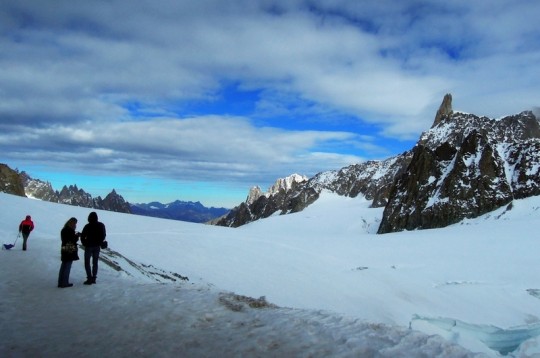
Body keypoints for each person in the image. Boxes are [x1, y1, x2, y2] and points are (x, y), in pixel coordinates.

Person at [80, 212, 106, 285]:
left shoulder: (87, 226)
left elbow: (82, 236)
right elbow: (103, 235)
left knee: (87, 262)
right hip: (97, 247)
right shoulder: (101, 225)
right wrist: (99, 242)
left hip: (88, 246)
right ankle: (94, 278)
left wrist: (85, 243)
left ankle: (89, 278)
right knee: (95, 263)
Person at [58, 217, 80, 288]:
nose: (75, 225)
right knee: (67, 266)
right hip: (70, 248)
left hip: (64, 247)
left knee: (64, 265)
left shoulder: (64, 229)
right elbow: (72, 240)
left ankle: (60, 282)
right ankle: (65, 282)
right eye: (75, 223)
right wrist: (76, 236)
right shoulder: (70, 230)